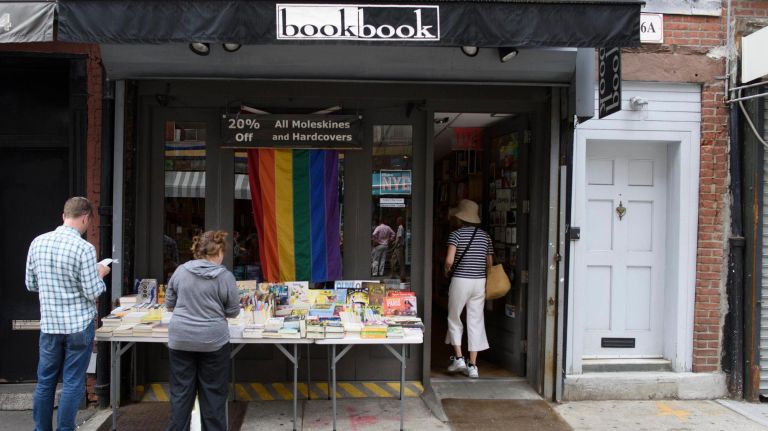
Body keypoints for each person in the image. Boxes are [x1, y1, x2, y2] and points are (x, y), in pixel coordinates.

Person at [25, 197, 110, 431]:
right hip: (78, 326)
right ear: (86, 218)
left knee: (45, 382)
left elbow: (31, 283)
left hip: (50, 325)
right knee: (73, 382)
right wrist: (100, 273)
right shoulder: (84, 248)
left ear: (64, 216)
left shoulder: (38, 242)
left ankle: (41, 428)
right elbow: (92, 290)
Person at [166, 230, 240, 431]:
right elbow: (233, 311)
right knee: (213, 396)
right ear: (218, 253)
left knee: (181, 395)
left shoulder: (181, 271)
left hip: (181, 339)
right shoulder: (225, 277)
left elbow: (169, 303)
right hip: (213, 341)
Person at [443, 199, 492, 379]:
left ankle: (459, 358)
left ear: (460, 217)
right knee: (476, 320)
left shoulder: (455, 235)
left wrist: (446, 270)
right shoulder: (485, 236)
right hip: (479, 282)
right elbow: (490, 263)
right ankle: (473, 366)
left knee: (454, 317)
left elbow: (449, 260)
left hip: (461, 280)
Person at [390, 216, 406, 280]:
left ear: (400, 221)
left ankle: (403, 276)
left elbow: (399, 238)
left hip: (399, 247)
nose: (396, 221)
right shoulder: (400, 227)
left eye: (397, 220)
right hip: (397, 247)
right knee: (392, 261)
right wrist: (395, 242)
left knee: (400, 262)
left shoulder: (400, 227)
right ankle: (393, 274)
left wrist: (395, 245)